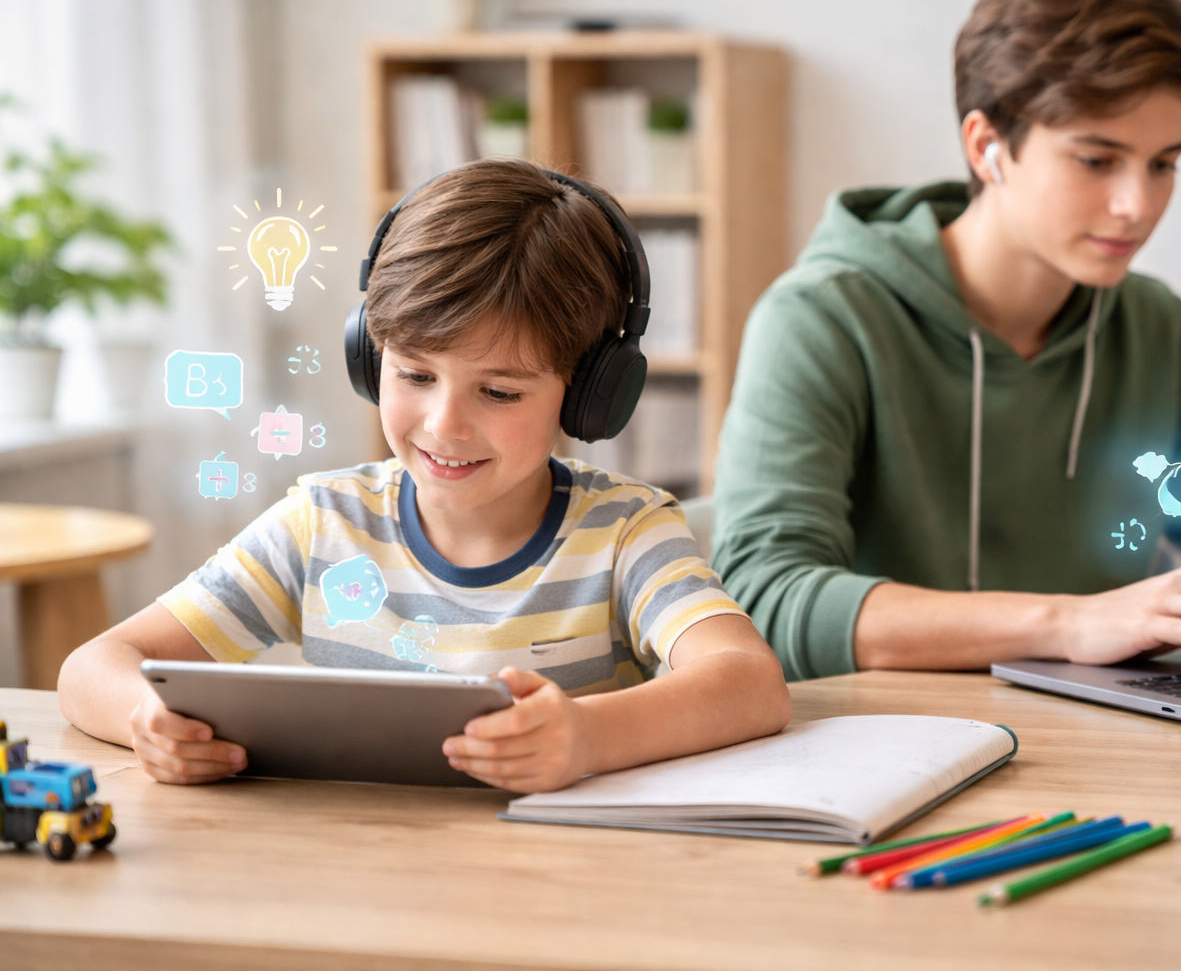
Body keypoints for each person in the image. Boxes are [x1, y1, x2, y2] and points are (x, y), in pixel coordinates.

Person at [58, 159, 791, 791]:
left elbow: (749, 684)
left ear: (591, 392)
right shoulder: (323, 526)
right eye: (414, 373)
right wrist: (145, 719)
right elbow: (93, 666)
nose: (445, 424)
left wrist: (589, 737)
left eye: (499, 391)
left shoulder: (625, 533)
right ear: (369, 358)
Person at [711, 0, 1181, 682]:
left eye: (1163, 163)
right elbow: (765, 599)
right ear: (987, 147)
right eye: (1096, 160)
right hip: (880, 750)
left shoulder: (1157, 323)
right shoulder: (820, 318)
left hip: (1102, 739)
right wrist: (1071, 622)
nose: (1137, 205)